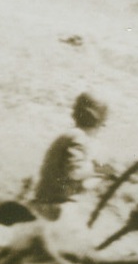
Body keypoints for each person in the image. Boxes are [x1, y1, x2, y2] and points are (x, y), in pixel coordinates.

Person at [32, 92, 109, 223]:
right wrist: (98, 170)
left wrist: (100, 175)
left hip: (44, 200)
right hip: (55, 208)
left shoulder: (70, 136)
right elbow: (74, 171)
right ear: (97, 123)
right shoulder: (80, 139)